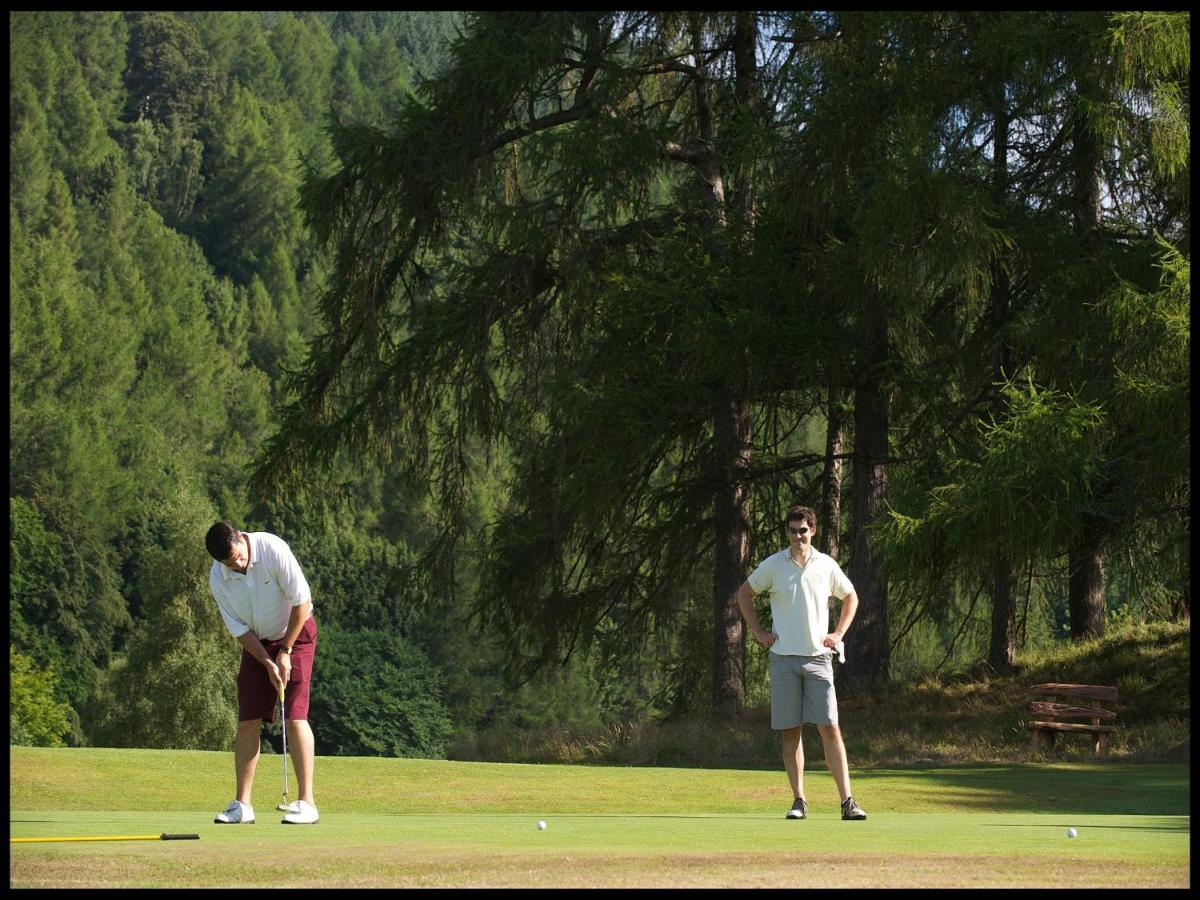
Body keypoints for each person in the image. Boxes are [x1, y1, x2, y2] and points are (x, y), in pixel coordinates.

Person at [734, 505, 867, 821]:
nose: (798, 536)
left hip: (819, 659)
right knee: (790, 732)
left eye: (803, 530)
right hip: (783, 661)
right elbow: (744, 594)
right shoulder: (774, 565)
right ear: (788, 532)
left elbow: (851, 597)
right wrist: (758, 632)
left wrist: (837, 633)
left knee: (830, 728)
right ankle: (799, 801)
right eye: (793, 531)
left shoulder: (826, 565)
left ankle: (847, 802)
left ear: (813, 531)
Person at [205, 521, 320, 825]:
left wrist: (285, 651)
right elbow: (238, 628)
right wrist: (267, 661)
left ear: (240, 538)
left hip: (297, 633)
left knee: (295, 715)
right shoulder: (219, 578)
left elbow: (301, 601)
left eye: (239, 557)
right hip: (257, 643)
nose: (238, 565)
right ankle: (242, 806)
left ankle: (306, 802)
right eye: (230, 563)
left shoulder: (272, 548)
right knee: (247, 719)